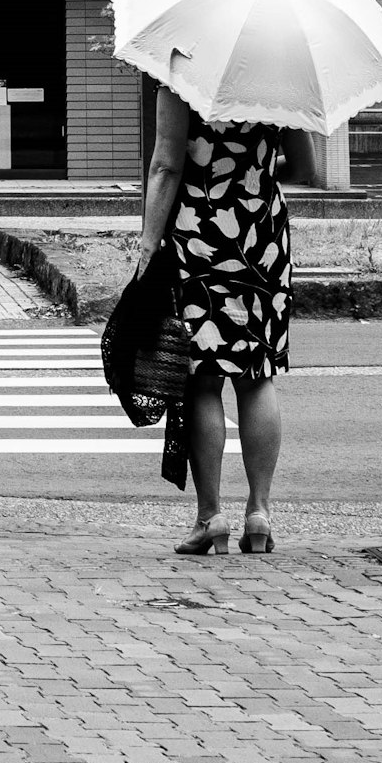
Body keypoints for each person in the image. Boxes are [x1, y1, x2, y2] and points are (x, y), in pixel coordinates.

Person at [135, 90, 292, 555]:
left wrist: (147, 242)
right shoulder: (275, 75)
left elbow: (167, 165)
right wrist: (249, 173)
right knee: (256, 377)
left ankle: (211, 517)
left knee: (203, 381)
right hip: (262, 234)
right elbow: (301, 167)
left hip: (200, 232)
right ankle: (259, 513)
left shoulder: (181, 79)